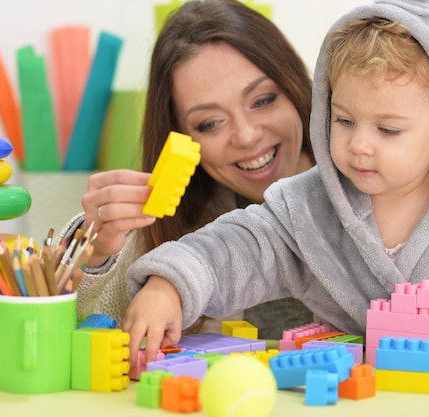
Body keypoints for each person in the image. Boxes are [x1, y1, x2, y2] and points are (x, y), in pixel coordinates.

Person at [122, 0, 429, 377]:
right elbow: (238, 248)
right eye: (343, 120)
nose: (359, 144)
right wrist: (171, 283)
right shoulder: (305, 208)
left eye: (387, 129)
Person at [56, 0, 315, 338]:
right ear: (180, 137)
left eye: (263, 100)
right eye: (210, 123)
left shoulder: (378, 185)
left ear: (296, 87)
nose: (247, 136)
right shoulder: (176, 228)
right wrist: (93, 252)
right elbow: (77, 328)